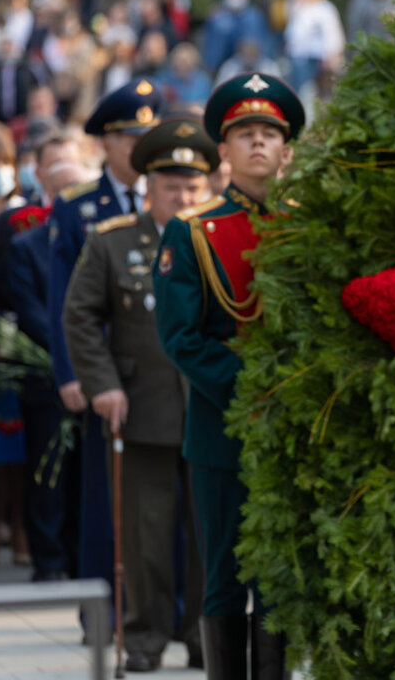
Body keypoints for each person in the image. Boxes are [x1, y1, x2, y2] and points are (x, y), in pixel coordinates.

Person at [153, 73, 303, 678]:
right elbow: (180, 337)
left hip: (295, 427)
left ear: (287, 150)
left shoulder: (308, 227)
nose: (259, 143)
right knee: (224, 580)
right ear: (224, 152)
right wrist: (256, 390)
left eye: (270, 133)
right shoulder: (191, 232)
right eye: (246, 134)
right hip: (225, 430)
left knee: (279, 580)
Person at [63, 117, 213, 670]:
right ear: (148, 186)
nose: (183, 197)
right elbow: (80, 316)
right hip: (141, 408)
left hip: (210, 412)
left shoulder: (219, 240)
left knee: (210, 537)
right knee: (145, 537)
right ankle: (145, 638)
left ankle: (205, 637)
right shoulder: (114, 241)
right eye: (171, 187)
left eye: (193, 188)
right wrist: (101, 384)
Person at [47, 79, 161, 605]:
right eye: (129, 136)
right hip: (103, 372)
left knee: (161, 495)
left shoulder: (173, 201)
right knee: (104, 494)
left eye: (147, 133)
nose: (140, 144)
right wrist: (71, 373)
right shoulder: (76, 209)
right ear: (105, 144)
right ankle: (103, 605)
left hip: (159, 374)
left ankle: (164, 602)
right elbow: (62, 300)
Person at [7, 159, 94, 582]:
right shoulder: (26, 246)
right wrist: (71, 355)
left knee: (84, 476)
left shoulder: (99, 241)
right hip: (46, 381)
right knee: (48, 476)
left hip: (96, 378)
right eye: (64, 191)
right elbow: (34, 315)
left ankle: (81, 558)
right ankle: (49, 560)